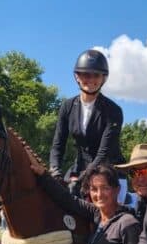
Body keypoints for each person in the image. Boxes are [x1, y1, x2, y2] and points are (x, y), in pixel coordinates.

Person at [49, 49, 124, 187]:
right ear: (77, 77)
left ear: (103, 78)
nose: (90, 79)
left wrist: (81, 179)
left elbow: (103, 153)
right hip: (79, 168)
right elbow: (58, 144)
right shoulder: (67, 106)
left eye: (96, 75)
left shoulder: (113, 111)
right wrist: (55, 171)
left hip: (108, 171)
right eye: (85, 75)